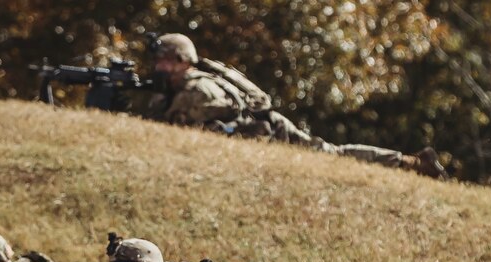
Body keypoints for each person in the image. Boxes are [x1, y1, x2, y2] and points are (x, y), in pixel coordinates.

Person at [147, 33, 448, 179]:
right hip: (264, 127)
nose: (158, 66)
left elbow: (191, 119)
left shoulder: (196, 86)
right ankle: (410, 163)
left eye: (163, 60)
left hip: (269, 131)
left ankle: (410, 164)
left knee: (332, 155)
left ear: (181, 61)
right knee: (332, 153)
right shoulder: (186, 84)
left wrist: (163, 105)